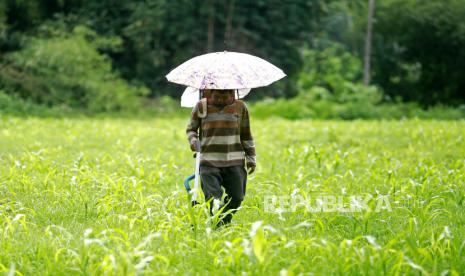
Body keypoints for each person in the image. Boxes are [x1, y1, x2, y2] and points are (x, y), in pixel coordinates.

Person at [186, 89, 256, 227]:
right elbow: (191, 129)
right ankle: (217, 225)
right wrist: (193, 140)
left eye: (225, 97)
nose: (220, 100)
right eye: (217, 97)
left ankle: (222, 221)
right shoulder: (201, 106)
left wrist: (251, 158)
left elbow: (246, 134)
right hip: (208, 161)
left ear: (232, 94)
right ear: (210, 93)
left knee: (237, 197)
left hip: (234, 160)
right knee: (213, 199)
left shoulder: (240, 107)